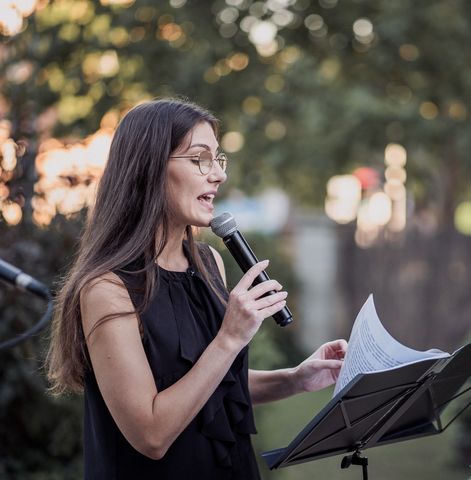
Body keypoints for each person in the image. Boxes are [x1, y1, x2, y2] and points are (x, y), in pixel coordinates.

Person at [46, 98, 347, 479]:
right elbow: (151, 434)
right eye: (199, 159)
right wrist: (229, 338)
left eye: (218, 160)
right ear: (149, 168)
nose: (218, 175)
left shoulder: (208, 264)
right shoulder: (107, 289)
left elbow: (211, 386)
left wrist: (297, 378)